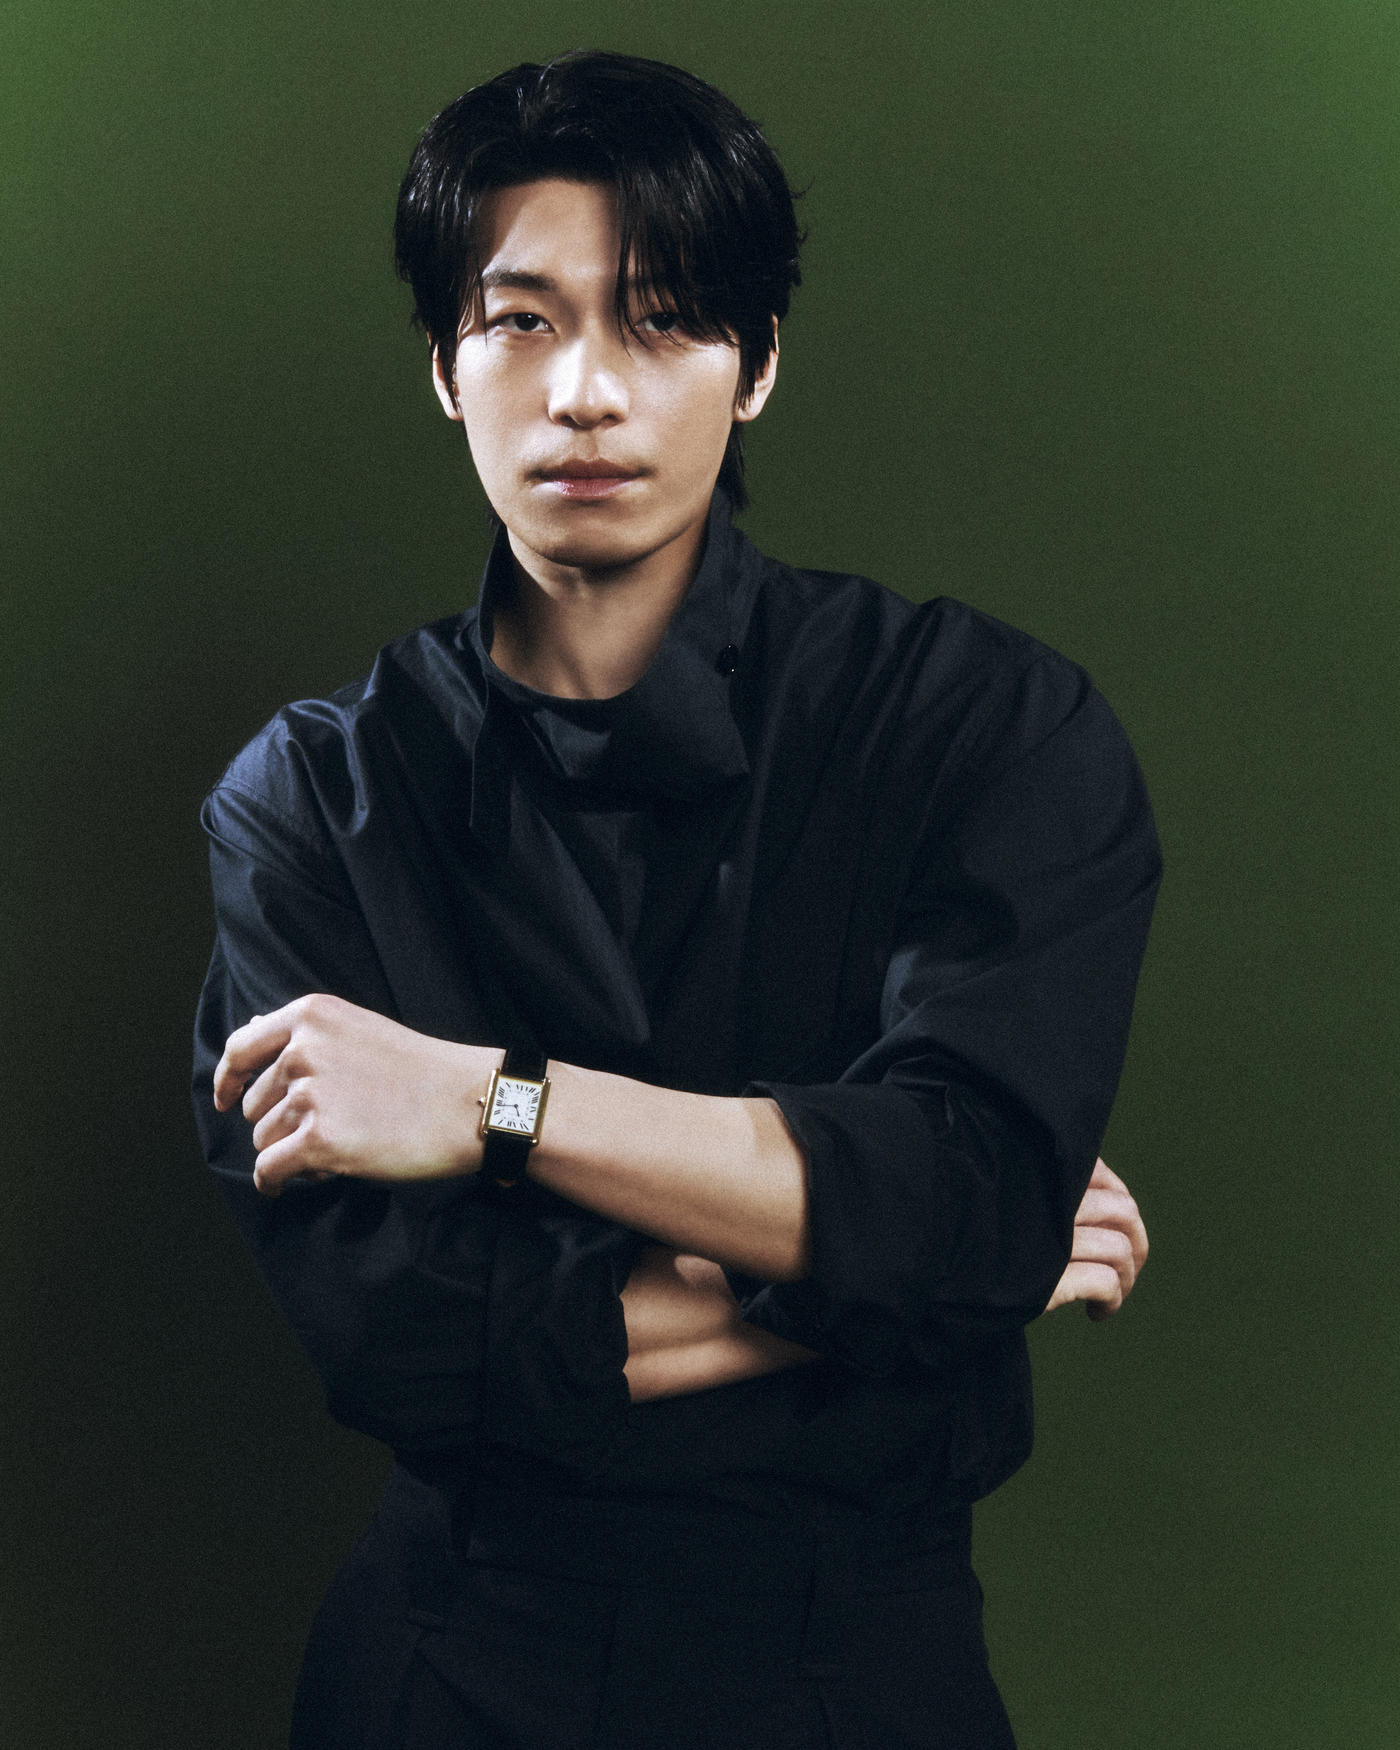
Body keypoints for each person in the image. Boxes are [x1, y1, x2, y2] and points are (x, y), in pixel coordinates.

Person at [193, 50, 1158, 1750]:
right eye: (520, 321)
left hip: (857, 1669)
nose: (584, 391)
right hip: (450, 1666)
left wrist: (487, 1102)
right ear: (445, 367)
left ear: (757, 365)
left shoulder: (983, 724)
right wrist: (928, 1262)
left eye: (659, 322)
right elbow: (406, 1347)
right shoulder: (311, 802)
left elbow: (968, 1192)